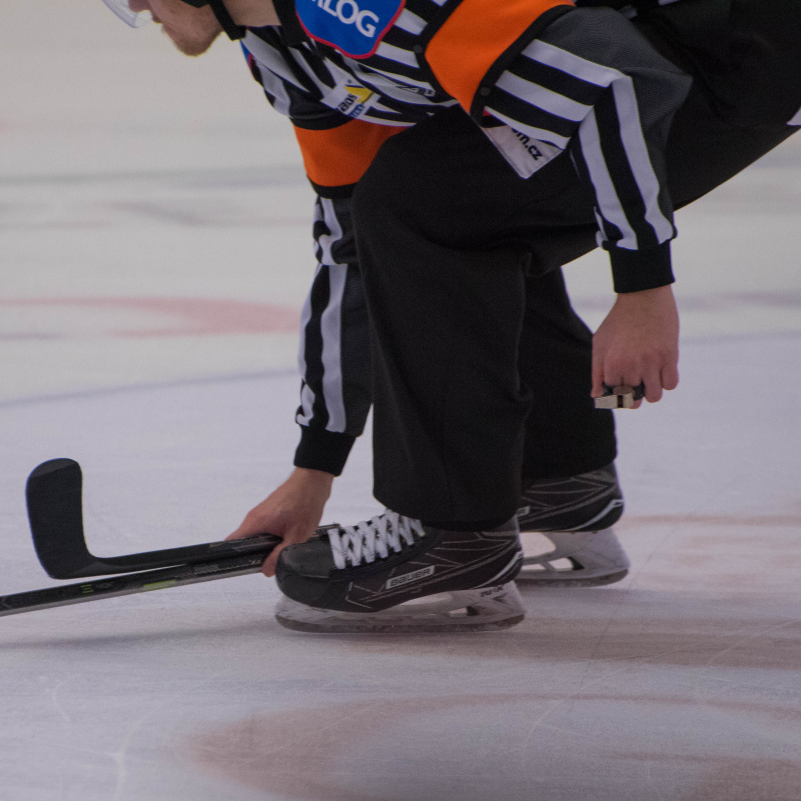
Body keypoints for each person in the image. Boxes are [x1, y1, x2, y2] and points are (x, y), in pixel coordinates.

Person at [102, 0, 801, 631]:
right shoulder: (288, 52)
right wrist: (314, 467)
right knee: (448, 202)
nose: (134, 5)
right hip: (693, 46)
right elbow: (351, 246)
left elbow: (610, 82)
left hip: (736, 39)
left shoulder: (361, 5)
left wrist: (643, 290)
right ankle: (554, 476)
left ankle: (453, 536)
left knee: (421, 199)